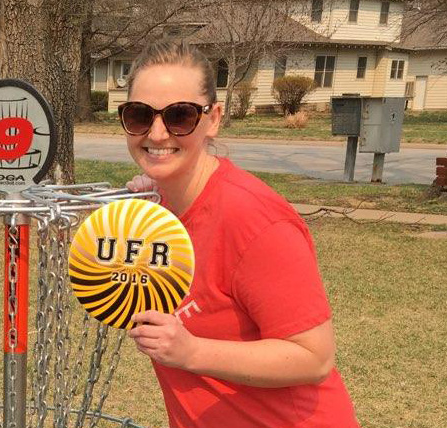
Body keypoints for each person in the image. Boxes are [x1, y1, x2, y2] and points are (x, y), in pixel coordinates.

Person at [121, 40, 359, 427]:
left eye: (179, 116)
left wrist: (190, 351)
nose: (158, 133)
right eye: (139, 116)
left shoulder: (256, 220)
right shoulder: (152, 214)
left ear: (212, 119)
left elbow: (315, 357)